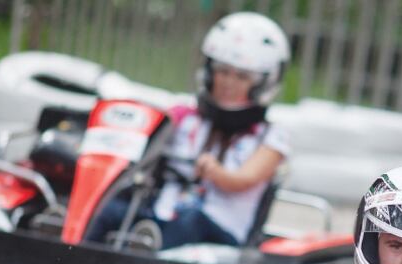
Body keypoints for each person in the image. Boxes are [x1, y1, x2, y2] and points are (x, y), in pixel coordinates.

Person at [86, 12, 290, 249]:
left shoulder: (272, 135)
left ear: (262, 83)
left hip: (219, 232)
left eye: (241, 76)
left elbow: (244, 180)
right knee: (112, 210)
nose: (228, 82)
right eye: (222, 71)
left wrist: (216, 172)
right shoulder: (186, 117)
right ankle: (73, 260)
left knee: (189, 221)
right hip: (163, 217)